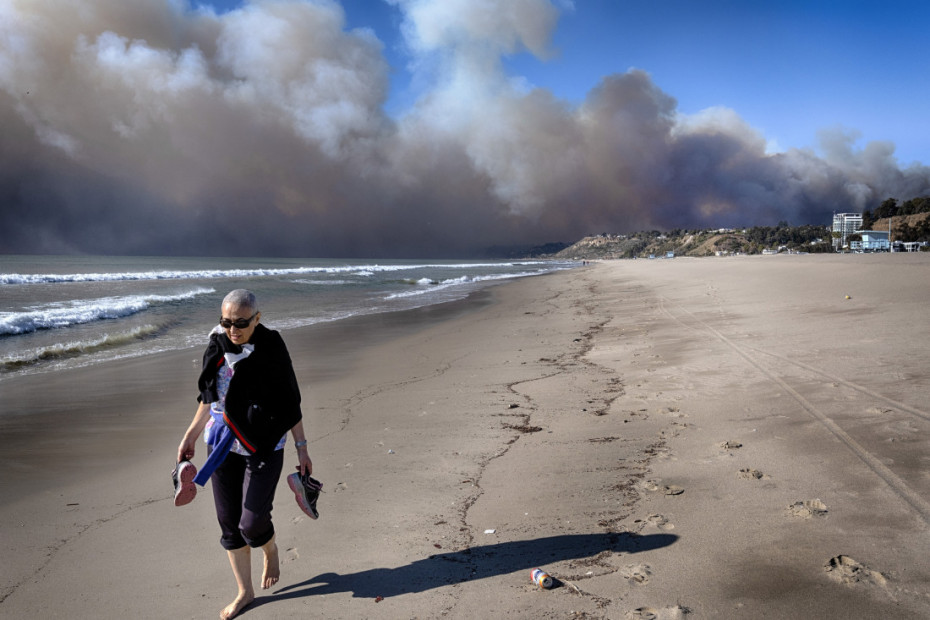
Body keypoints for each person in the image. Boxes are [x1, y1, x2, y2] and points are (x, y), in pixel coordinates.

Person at [177, 289, 312, 620]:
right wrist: (190, 434)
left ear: (257, 318)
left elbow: (290, 402)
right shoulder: (216, 346)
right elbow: (208, 399)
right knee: (229, 524)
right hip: (222, 443)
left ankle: (270, 548)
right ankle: (245, 592)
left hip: (264, 443)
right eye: (226, 322)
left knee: (251, 524)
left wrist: (302, 448)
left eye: (240, 322)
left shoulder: (272, 348)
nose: (232, 329)